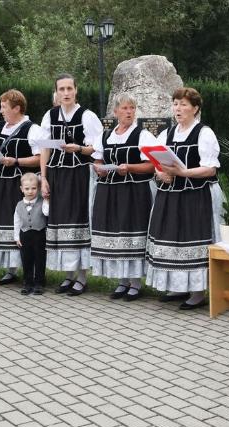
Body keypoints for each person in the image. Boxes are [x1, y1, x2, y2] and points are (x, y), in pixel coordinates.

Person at [145, 87, 222, 310]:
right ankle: (178, 287)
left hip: (195, 195)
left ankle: (197, 293)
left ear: (195, 109)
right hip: (170, 196)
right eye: (176, 104)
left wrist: (183, 173)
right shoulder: (167, 133)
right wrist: (160, 174)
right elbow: (157, 163)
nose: (178, 109)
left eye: (184, 105)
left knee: (192, 240)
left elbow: (210, 170)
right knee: (171, 238)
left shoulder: (204, 133)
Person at [39, 73, 103, 296]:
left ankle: (82, 276)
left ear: (76, 90)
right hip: (56, 174)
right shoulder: (50, 115)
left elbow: (97, 149)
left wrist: (79, 149)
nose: (65, 93)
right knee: (60, 223)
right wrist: (43, 177)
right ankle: (68, 275)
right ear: (56, 92)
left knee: (78, 221)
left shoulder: (87, 116)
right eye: (61, 89)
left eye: (69, 89)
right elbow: (44, 148)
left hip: (79, 175)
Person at [91, 93, 155, 301]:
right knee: (114, 233)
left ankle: (135, 283)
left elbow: (152, 165)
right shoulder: (105, 136)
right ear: (116, 111)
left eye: (132, 108)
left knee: (131, 232)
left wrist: (130, 167)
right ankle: (122, 281)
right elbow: (97, 161)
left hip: (133, 192)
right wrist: (100, 169)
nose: (129, 112)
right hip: (109, 191)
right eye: (125, 108)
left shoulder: (143, 135)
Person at [0, 89, 43, 284]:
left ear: (17, 108)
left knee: (15, 224)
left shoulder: (32, 129)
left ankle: (20, 268)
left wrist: (15, 160)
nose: (0, 110)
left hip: (16, 184)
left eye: (4, 107)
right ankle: (8, 268)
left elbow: (39, 158)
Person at [14, 173, 49, 295]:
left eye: (34, 188)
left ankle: (39, 282)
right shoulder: (19, 205)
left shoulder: (42, 202)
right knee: (26, 260)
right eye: (27, 188)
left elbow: (46, 212)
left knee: (40, 259)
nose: (30, 191)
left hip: (39, 235)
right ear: (22, 189)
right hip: (25, 235)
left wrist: (46, 200)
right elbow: (17, 221)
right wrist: (16, 237)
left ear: (38, 188)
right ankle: (27, 282)